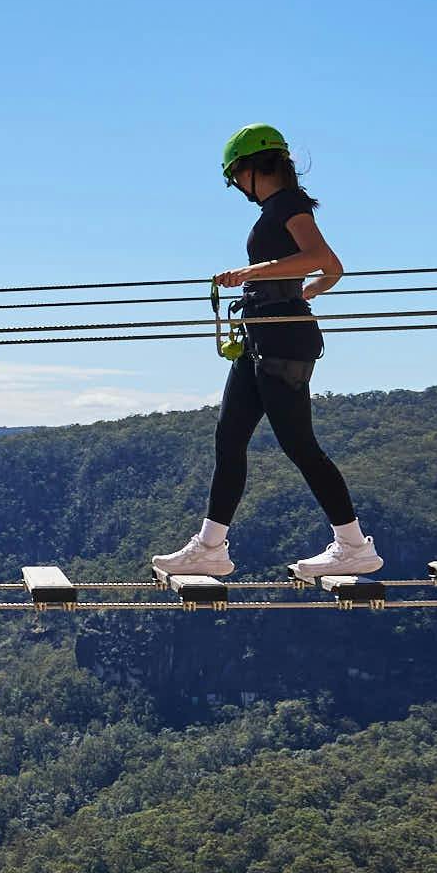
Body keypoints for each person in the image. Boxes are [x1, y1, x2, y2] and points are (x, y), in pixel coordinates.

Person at [154, 123, 379, 581]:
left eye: (236, 176)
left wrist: (253, 274)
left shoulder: (289, 205)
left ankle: (353, 545)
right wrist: (301, 296)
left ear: (252, 168)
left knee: (300, 445)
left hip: (281, 342)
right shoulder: (281, 207)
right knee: (229, 437)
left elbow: (317, 256)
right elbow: (332, 269)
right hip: (262, 336)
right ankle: (211, 547)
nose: (237, 186)